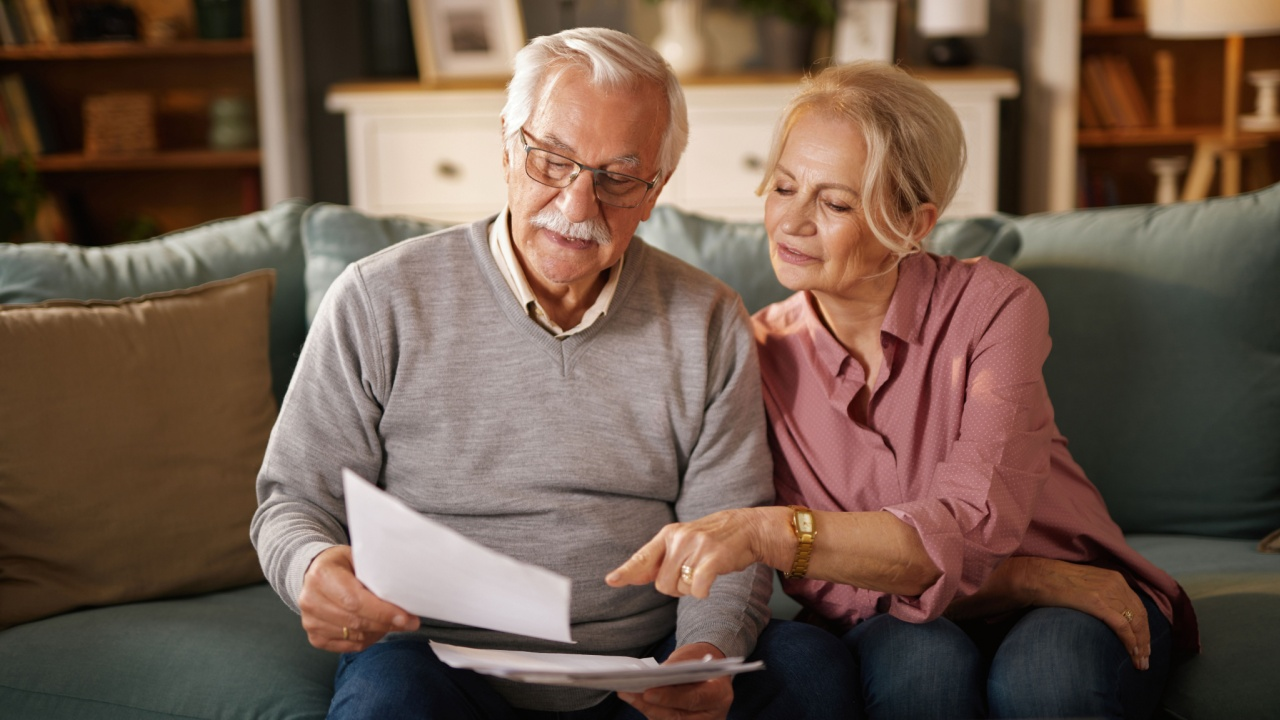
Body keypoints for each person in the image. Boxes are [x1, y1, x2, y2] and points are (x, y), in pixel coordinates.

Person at [251, 27, 858, 720]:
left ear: (654, 190)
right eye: (551, 161)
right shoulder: (377, 297)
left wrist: (706, 655)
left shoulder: (708, 318)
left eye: (618, 178)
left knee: (810, 668)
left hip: (642, 665)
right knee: (387, 699)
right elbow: (293, 500)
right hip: (436, 659)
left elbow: (729, 537)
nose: (576, 207)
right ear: (508, 148)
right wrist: (314, 569)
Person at [608, 61, 1199, 720]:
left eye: (834, 202)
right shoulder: (757, 352)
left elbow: (972, 527)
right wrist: (1026, 576)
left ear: (915, 223)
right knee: (920, 664)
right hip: (970, 598)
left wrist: (1034, 576)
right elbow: (825, 585)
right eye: (783, 186)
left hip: (1075, 592)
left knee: (1046, 678)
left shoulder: (995, 306)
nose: (792, 222)